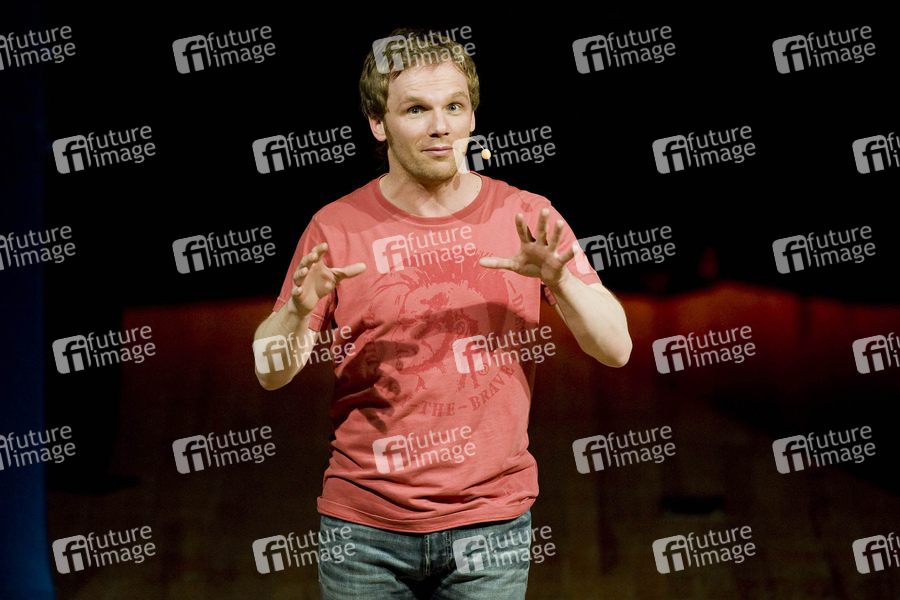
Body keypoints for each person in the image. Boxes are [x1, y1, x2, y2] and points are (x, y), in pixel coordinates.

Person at [253, 27, 631, 600]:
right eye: (416, 110)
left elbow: (617, 348)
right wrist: (298, 312)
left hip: (491, 525)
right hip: (365, 531)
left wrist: (559, 280)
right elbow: (270, 371)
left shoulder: (526, 214)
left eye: (454, 107)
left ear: (472, 116)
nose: (440, 127)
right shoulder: (336, 226)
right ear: (378, 123)